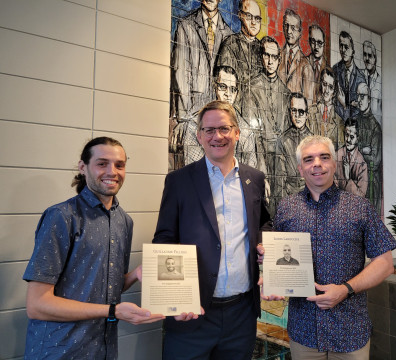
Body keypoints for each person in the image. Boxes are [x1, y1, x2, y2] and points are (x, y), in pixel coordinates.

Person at [22, 137, 165, 359]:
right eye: (102, 163)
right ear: (83, 167)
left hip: (103, 349)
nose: (112, 171)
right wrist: (112, 311)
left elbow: (106, 287)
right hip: (60, 350)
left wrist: (135, 275)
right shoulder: (61, 216)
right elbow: (37, 304)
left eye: (119, 165)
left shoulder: (124, 221)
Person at [153, 100, 272, 360]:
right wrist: (176, 300)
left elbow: (263, 222)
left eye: (224, 128)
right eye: (208, 130)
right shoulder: (179, 181)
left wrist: (266, 247)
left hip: (242, 314)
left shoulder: (255, 179)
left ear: (237, 133)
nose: (217, 136)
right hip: (193, 312)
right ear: (199, 136)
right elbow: (165, 240)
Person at [272, 135, 396, 358]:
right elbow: (278, 260)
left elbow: (385, 264)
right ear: (300, 169)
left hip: (350, 330)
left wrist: (345, 289)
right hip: (304, 331)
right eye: (309, 159)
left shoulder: (359, 207)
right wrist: (271, 269)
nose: (317, 164)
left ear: (334, 164)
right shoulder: (286, 208)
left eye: (324, 157)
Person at [180, 65, 258, 168]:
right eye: (223, 87)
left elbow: (250, 174)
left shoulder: (246, 131)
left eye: (232, 89)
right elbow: (195, 171)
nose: (228, 94)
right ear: (214, 88)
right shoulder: (194, 126)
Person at [170, 0, 233, 119]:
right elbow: (180, 74)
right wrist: (185, 118)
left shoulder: (228, 34)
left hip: (218, 118)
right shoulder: (185, 26)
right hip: (192, 114)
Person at [247, 36, 291, 179]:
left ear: (279, 59)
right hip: (259, 154)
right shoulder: (252, 87)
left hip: (281, 159)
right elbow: (251, 130)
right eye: (267, 55)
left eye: (274, 57)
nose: (270, 61)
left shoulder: (285, 92)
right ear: (261, 57)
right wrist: (260, 161)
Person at [216, 0, 263, 112]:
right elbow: (224, 86)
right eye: (249, 16)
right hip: (235, 111)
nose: (253, 22)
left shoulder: (263, 49)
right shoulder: (230, 44)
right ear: (240, 15)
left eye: (257, 18)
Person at [275, 92, 313, 200]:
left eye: (301, 112)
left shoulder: (314, 141)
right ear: (290, 112)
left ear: (307, 114)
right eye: (294, 111)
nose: (297, 115)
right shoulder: (283, 140)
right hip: (289, 195)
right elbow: (279, 177)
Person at [355, 82, 382, 215]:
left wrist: (358, 152)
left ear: (369, 99)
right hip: (357, 181)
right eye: (358, 96)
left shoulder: (375, 127)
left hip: (372, 183)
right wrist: (364, 149)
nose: (359, 100)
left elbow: (375, 161)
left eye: (363, 96)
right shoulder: (354, 121)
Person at [278, 9, 315, 106]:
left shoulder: (306, 65)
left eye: (293, 28)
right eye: (286, 26)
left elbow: (309, 104)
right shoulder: (276, 56)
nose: (289, 31)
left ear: (300, 33)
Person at [307, 67, 345, 150]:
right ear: (321, 85)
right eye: (324, 84)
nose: (327, 91)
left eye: (331, 87)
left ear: (334, 92)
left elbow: (341, 153)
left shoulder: (339, 122)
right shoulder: (310, 112)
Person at [332, 31, 366, 121]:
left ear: (353, 51)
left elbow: (359, 109)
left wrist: (345, 104)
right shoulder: (334, 70)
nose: (343, 50)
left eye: (346, 47)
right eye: (341, 46)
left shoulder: (360, 77)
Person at [335, 118, 368, 197]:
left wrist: (348, 178)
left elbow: (361, 196)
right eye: (346, 135)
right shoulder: (336, 156)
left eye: (352, 137)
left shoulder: (362, 164)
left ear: (357, 138)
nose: (348, 139)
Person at [307, 24, 328, 103]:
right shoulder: (303, 63)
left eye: (319, 42)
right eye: (313, 41)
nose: (316, 46)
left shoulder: (328, 69)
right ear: (309, 41)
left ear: (324, 44)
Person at [362, 40, 382, 120]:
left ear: (375, 58)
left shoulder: (380, 82)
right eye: (365, 55)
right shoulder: (358, 76)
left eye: (370, 55)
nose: (367, 58)